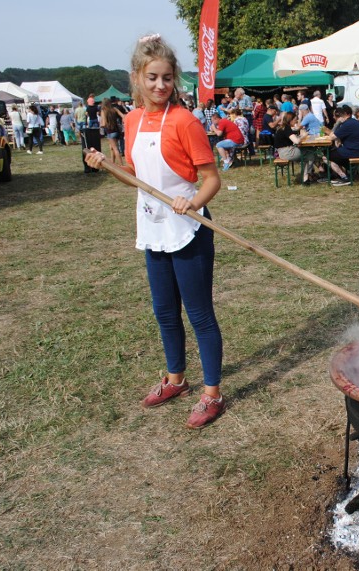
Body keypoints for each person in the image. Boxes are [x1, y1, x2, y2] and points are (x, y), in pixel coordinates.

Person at [85, 33, 225, 429]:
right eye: (152, 78)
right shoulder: (131, 120)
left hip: (188, 228)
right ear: (137, 78)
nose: (160, 85)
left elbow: (210, 179)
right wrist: (109, 168)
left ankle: (212, 393)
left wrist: (193, 202)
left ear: (174, 78)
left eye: (166, 78)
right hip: (152, 226)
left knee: (199, 314)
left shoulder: (185, 121)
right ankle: (176, 378)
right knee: (164, 310)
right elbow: (137, 178)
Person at [326, 104, 359, 186]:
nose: (334, 118)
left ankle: (344, 177)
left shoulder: (346, 124)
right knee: (336, 152)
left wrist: (337, 123)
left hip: (354, 151)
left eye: (336, 116)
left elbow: (331, 137)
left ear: (340, 116)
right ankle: (347, 171)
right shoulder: (354, 122)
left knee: (326, 155)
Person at [101, 98, 124, 165]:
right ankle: (113, 162)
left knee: (115, 148)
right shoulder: (114, 109)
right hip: (116, 130)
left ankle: (121, 165)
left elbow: (104, 123)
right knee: (112, 148)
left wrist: (101, 125)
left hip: (110, 131)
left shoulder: (104, 111)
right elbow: (123, 116)